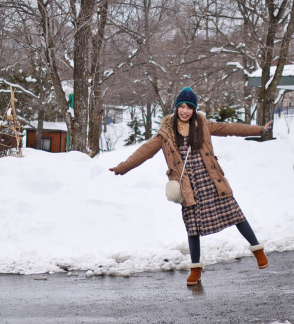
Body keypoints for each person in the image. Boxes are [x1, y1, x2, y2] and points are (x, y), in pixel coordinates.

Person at [109, 87, 272, 286]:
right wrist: (121, 168)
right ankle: (195, 268)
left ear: (194, 109)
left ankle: (257, 249)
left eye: (189, 107)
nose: (185, 111)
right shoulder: (165, 133)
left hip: (211, 179)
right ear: (177, 107)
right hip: (188, 186)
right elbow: (144, 152)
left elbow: (230, 128)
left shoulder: (203, 125)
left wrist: (259, 129)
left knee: (235, 214)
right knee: (193, 228)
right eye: (181, 106)